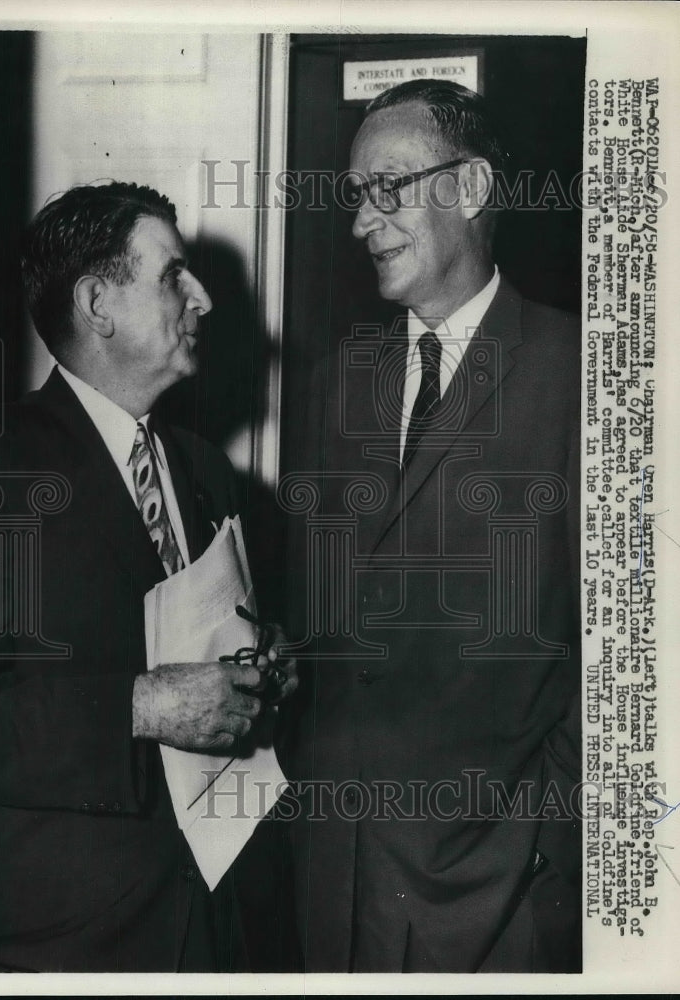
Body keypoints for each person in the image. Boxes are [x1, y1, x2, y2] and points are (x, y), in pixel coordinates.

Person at [0, 181, 297, 972]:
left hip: (209, 928)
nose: (202, 298)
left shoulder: (207, 473)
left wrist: (263, 662)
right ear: (98, 303)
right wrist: (139, 705)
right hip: (59, 946)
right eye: (174, 274)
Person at [288, 80, 581, 972]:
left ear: (475, 188)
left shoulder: (583, 374)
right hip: (333, 882)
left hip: (500, 892)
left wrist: (541, 838)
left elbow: (630, 654)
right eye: (354, 196)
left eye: (390, 188)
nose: (361, 221)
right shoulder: (339, 380)